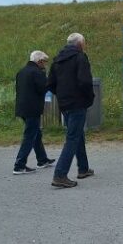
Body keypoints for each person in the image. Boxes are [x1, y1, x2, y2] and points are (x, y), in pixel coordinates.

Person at [47, 32, 95, 189]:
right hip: (77, 103)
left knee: (77, 134)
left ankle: (83, 168)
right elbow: (85, 81)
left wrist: (62, 95)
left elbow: (50, 83)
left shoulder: (57, 60)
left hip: (64, 104)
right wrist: (88, 98)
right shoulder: (80, 57)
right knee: (72, 138)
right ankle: (60, 175)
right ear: (80, 44)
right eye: (84, 43)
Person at [13, 50, 54, 174]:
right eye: (44, 62)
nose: (45, 65)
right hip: (33, 108)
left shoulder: (21, 72)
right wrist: (46, 78)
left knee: (36, 133)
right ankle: (19, 165)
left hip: (22, 107)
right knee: (30, 136)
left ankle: (42, 159)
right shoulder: (37, 73)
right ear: (39, 61)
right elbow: (43, 88)